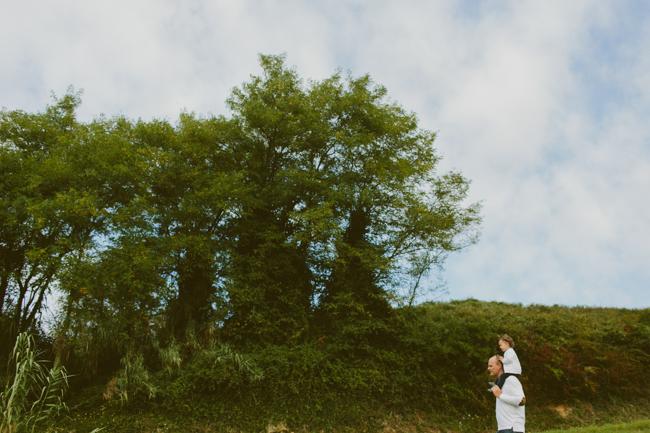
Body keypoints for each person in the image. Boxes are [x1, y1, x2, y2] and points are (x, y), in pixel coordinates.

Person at [487, 355, 526, 433]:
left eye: (491, 366)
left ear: (499, 366)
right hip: (504, 429)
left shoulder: (511, 379)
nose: (488, 368)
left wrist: (500, 396)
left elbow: (522, 400)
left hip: (512, 429)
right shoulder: (500, 383)